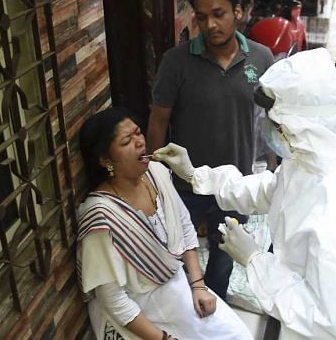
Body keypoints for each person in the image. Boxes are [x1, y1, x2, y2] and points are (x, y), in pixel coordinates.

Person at [153, 48, 336, 340]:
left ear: (296, 126)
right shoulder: (310, 161)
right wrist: (197, 175)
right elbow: (271, 189)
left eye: (273, 122)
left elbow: (322, 319)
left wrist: (255, 260)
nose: (268, 130)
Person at [146, 0, 274, 300]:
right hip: (184, 186)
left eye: (219, 14)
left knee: (223, 256)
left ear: (239, 11)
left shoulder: (260, 58)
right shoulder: (176, 62)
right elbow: (158, 121)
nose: (211, 25)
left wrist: (275, 172)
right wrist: (153, 178)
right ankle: (182, 309)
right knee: (176, 253)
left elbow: (275, 120)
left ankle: (216, 308)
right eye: (202, 17)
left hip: (235, 184)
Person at [76, 108, 252, 340]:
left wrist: (198, 286)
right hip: (136, 307)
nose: (139, 142)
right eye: (127, 140)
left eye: (138, 133)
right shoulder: (99, 216)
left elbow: (185, 226)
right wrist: (163, 338)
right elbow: (113, 299)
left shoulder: (156, 173)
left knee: (238, 335)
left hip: (174, 283)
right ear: (106, 160)